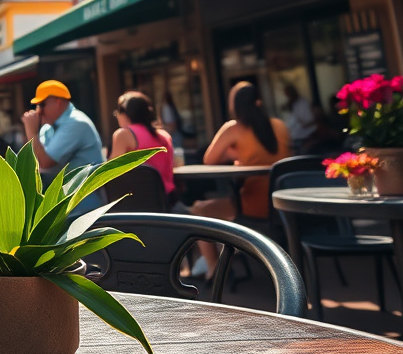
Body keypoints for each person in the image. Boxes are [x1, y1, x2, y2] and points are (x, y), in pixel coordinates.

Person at [189, 81, 292, 276]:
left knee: (199, 209)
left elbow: (209, 159)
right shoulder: (279, 125)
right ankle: (233, 255)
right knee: (222, 210)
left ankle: (214, 269)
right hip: (282, 205)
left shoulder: (234, 129)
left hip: (254, 204)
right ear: (258, 101)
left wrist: (231, 155)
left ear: (234, 105)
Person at [21, 81, 104, 208]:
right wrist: (35, 130)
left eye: (42, 105)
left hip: (84, 205)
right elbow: (35, 162)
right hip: (65, 201)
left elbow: (45, 162)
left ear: (58, 102)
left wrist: (31, 131)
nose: (39, 111)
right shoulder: (48, 128)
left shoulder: (76, 122)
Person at [108, 91, 178, 205]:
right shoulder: (164, 135)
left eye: (118, 111)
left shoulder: (123, 134)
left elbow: (110, 173)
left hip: (135, 203)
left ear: (125, 113)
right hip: (166, 201)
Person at [285, 84, 318, 152]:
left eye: (288, 93)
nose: (287, 96)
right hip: (296, 136)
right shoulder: (293, 104)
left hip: (307, 135)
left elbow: (308, 119)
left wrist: (305, 124)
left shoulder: (303, 103)